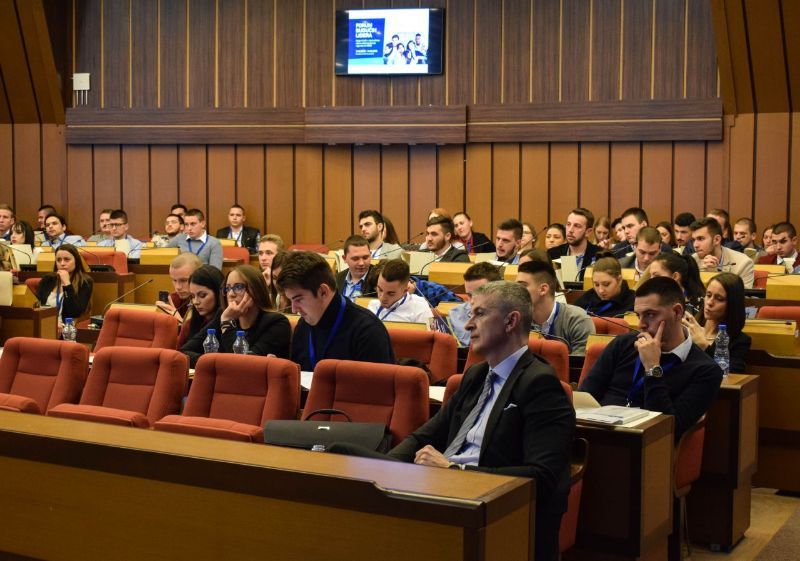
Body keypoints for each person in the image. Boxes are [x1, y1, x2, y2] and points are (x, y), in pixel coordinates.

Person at [385, 281, 575, 561]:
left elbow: (542, 476)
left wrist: (454, 471)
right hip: (443, 494)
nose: (468, 324)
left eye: (480, 314)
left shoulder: (540, 384)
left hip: (492, 513)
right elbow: (424, 436)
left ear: (511, 321)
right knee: (344, 453)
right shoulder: (476, 376)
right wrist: (381, 471)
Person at [579, 276, 723, 440]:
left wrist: (652, 368)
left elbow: (666, 431)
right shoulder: (622, 344)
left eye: (650, 314)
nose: (641, 324)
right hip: (597, 437)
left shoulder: (706, 370)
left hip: (647, 447)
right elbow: (585, 398)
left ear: (677, 312)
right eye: (638, 315)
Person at [277, 251, 395, 371]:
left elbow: (379, 382)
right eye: (291, 300)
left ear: (323, 292)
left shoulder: (368, 331)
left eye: (298, 299)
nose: (294, 309)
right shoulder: (303, 326)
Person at [515, 260, 594, 355]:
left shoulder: (578, 320)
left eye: (522, 286)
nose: (516, 291)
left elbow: (579, 363)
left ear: (543, 289)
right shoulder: (516, 320)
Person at [682, 273, 751, 373]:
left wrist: (704, 346)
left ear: (732, 304)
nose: (709, 302)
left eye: (719, 299)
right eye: (708, 295)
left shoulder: (739, 341)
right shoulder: (689, 327)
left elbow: (730, 375)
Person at [36, 244, 93, 329]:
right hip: (45, 325)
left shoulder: (84, 282)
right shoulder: (48, 280)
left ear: (76, 261)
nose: (62, 263)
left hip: (67, 329)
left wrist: (67, 284)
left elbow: (75, 312)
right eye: (59, 260)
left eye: (67, 259)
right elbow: (37, 305)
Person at [448, 262, 503, 347]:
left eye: (478, 294)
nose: (472, 301)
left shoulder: (508, 316)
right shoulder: (455, 314)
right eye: (469, 295)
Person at [691, 217, 754, 288]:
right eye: (693, 240)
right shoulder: (693, 261)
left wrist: (713, 274)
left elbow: (742, 294)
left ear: (717, 239)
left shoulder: (743, 263)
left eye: (700, 239)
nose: (695, 245)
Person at [367, 259, 433, 324]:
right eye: (380, 290)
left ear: (405, 290)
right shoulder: (373, 306)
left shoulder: (421, 308)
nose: (382, 298)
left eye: (391, 293)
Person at [177, 265, 224, 351]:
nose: (195, 302)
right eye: (192, 296)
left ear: (218, 293)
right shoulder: (189, 325)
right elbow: (178, 355)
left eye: (202, 295)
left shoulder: (231, 323)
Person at [547, 208, 600, 281]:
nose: (570, 230)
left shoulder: (600, 256)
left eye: (577, 226)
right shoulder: (552, 254)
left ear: (588, 232)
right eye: (568, 224)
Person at [155, 253, 203, 320]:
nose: (178, 287)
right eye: (174, 280)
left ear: (199, 277)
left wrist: (178, 321)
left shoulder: (209, 302)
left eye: (184, 280)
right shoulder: (174, 299)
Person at [335, 235, 375, 301]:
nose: (361, 263)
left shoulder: (379, 278)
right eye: (355, 259)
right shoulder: (337, 279)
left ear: (370, 255)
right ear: (344, 258)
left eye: (365, 257)